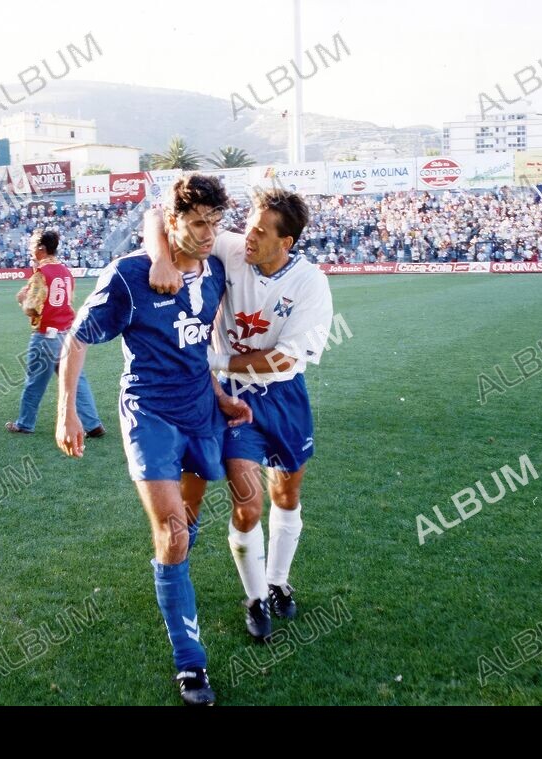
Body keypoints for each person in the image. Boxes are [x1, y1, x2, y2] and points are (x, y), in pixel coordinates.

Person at [55, 175, 251, 707]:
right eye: (197, 224)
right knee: (173, 533)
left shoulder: (212, 274)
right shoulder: (129, 276)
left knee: (186, 525)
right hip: (149, 415)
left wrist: (221, 396)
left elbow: (193, 351)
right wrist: (67, 411)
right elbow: (76, 339)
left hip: (201, 413)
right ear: (172, 224)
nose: (209, 234)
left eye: (215, 222)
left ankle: (174, 575)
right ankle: (191, 664)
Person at [147, 188, 334, 643]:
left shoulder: (310, 283)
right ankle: (254, 597)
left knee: (286, 497)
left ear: (285, 243)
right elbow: (157, 212)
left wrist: (213, 361)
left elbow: (285, 360)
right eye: (248, 226)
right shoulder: (232, 249)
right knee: (248, 506)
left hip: (285, 397)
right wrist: (161, 260)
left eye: (260, 232)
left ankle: (278, 581)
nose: (246, 238)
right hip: (234, 402)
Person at [5, 229, 105, 438]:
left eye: (33, 245)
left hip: (46, 336)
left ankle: (25, 423)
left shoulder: (41, 274)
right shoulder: (66, 272)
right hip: (67, 334)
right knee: (77, 379)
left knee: (35, 382)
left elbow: (32, 307)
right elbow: (67, 302)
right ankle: (93, 423)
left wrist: (21, 298)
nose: (30, 249)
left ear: (41, 248)